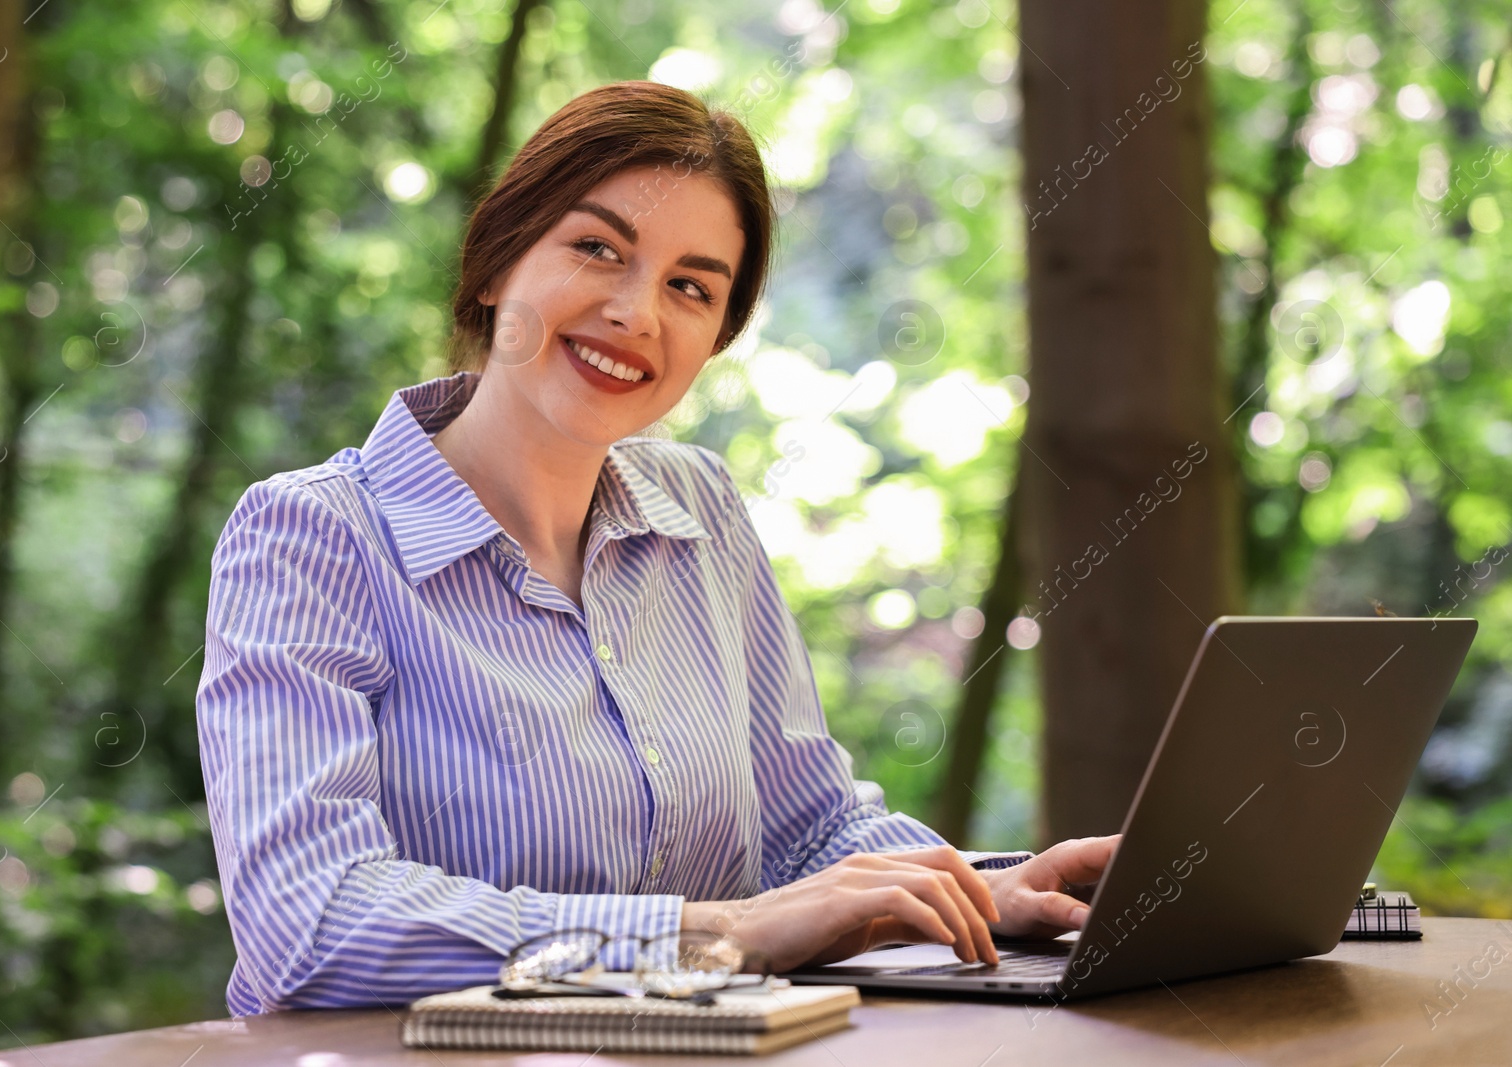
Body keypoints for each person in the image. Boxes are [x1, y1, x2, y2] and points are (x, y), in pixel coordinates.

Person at [196, 79, 1119, 1016]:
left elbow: (810, 832)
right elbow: (306, 922)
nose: (638, 313)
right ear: (494, 264)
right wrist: (711, 934)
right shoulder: (313, 538)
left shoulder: (700, 508)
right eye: (597, 248)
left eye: (690, 286)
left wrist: (979, 888)